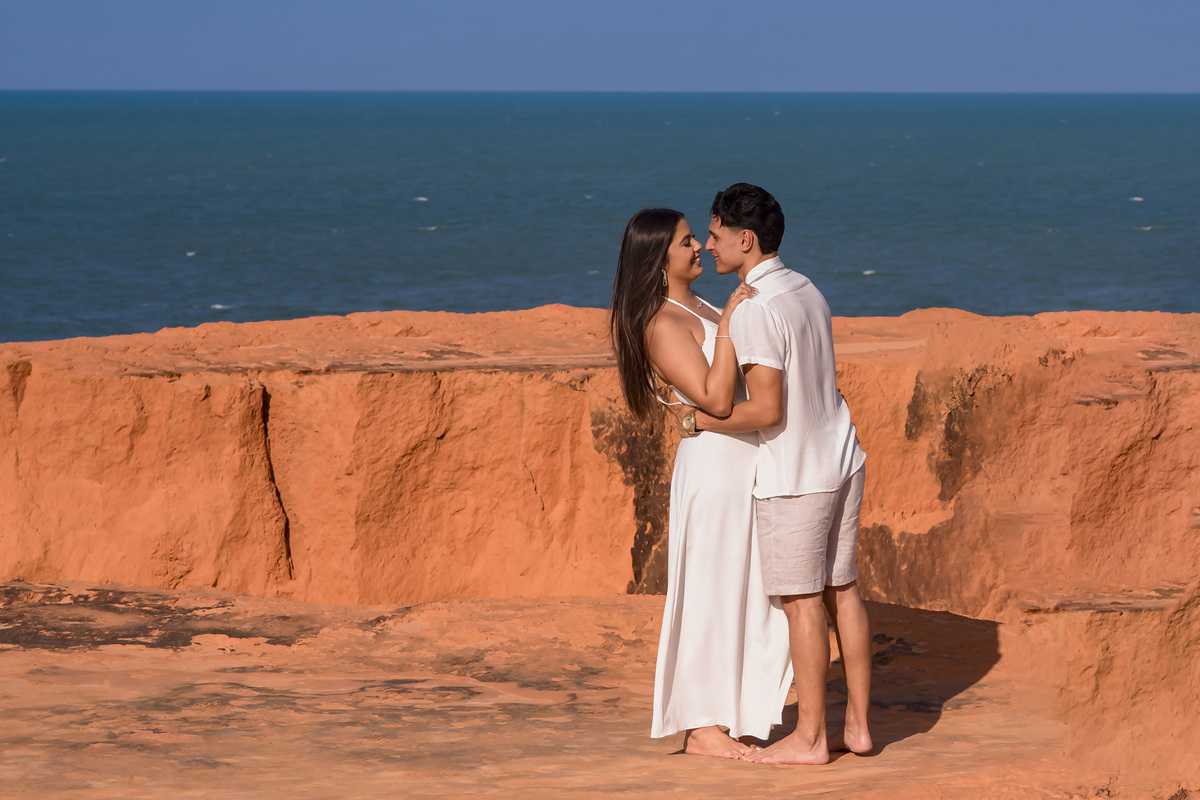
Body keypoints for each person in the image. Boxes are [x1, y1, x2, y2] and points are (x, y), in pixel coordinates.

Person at [673, 183, 872, 765]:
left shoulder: (756, 307)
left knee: (802, 604)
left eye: (714, 235)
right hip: (843, 458)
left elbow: (766, 410)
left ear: (745, 239)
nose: (708, 246)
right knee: (845, 591)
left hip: (797, 474)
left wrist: (699, 421)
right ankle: (857, 727)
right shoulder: (805, 288)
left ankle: (810, 738)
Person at [609, 207, 793, 759]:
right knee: (710, 591)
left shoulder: (706, 306)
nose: (699, 249)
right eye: (688, 242)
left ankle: (731, 711)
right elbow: (713, 398)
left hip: (743, 460)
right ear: (658, 258)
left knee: (747, 588)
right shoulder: (662, 322)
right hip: (713, 467)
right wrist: (735, 324)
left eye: (697, 239)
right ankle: (700, 726)